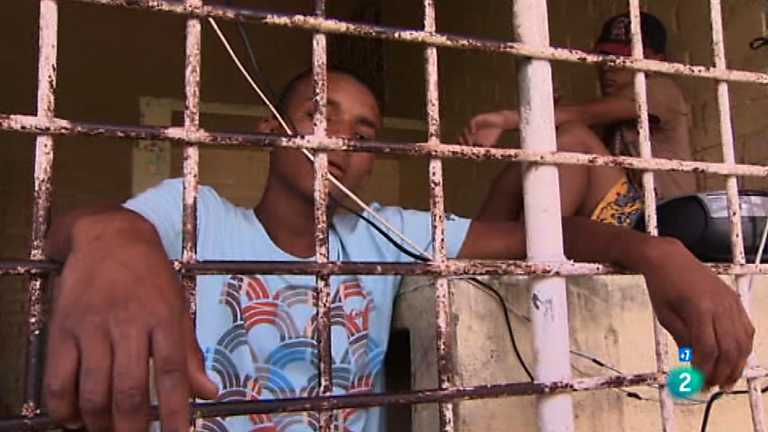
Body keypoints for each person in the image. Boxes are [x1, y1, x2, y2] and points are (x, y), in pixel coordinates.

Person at [43, 67, 752, 432]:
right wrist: (112, 235)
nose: (341, 140)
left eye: (362, 133)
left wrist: (660, 254)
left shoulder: (384, 232)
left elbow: (542, 233)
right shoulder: (197, 215)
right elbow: (71, 232)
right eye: (320, 116)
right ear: (269, 131)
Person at [460, 12, 696, 225]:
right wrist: (545, 120)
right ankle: (481, 244)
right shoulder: (608, 115)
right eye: (604, 57)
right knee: (530, 157)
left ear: (656, 62)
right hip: (622, 218)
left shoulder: (660, 89)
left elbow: (584, 115)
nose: (609, 67)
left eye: (622, 58)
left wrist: (505, 119)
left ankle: (532, 243)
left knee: (573, 136)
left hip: (662, 223)